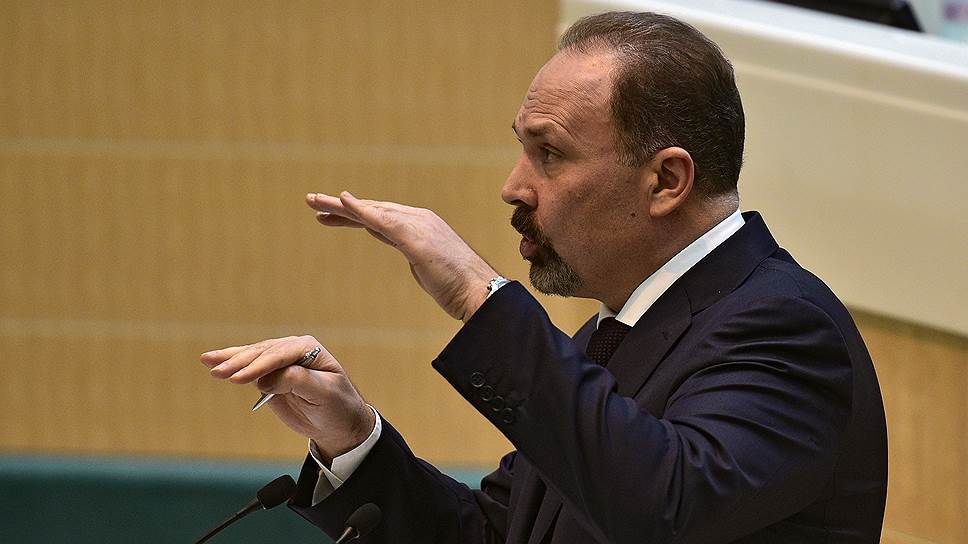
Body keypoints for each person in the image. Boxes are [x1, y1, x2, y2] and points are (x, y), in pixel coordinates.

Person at [199, 11, 887, 543]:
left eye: (549, 154)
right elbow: (497, 535)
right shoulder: (613, 337)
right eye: (521, 149)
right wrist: (355, 439)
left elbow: (663, 509)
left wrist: (478, 294)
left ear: (666, 181)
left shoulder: (783, 328)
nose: (513, 187)